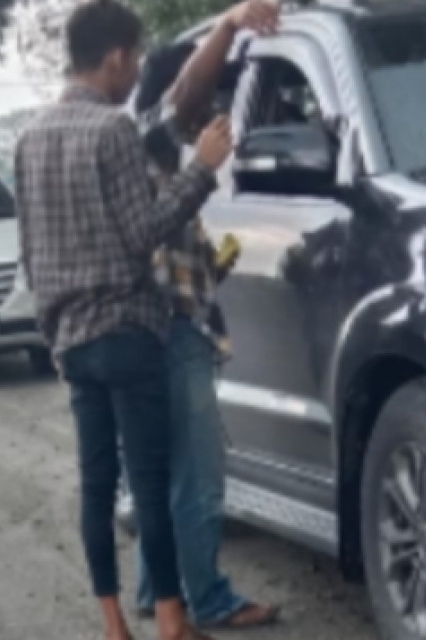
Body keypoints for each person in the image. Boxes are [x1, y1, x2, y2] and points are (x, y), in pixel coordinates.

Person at [13, 2, 233, 639]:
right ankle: (170, 619)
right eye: (135, 59)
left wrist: (52, 335)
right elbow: (145, 231)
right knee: (149, 478)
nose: (137, 72)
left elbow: (30, 252)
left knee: (96, 486)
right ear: (114, 57)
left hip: (72, 339)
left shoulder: (27, 138)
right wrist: (202, 170)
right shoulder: (111, 130)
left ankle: (113, 626)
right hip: (127, 330)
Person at [124, 0, 282, 629]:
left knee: (161, 476)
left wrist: (214, 267)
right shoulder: (149, 138)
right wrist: (229, 23)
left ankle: (151, 592)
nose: (212, 110)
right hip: (174, 335)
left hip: (164, 326)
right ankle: (209, 599)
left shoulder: (154, 158)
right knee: (199, 477)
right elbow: (180, 100)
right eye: (205, 93)